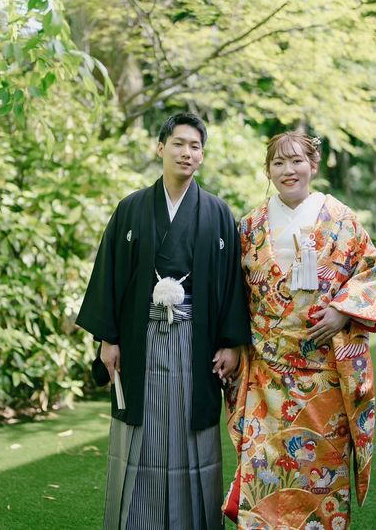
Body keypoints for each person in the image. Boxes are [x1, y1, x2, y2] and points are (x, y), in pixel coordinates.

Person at [76, 113, 251, 530]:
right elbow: (109, 276)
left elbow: (232, 283)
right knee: (141, 431)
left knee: (192, 431)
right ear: (160, 148)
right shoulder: (132, 209)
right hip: (141, 339)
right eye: (178, 143)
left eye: (195, 146)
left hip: (196, 340)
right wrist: (108, 339)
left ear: (202, 155)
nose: (186, 152)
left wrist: (231, 343)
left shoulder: (217, 213)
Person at [223, 132, 376, 529]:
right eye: (278, 163)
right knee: (265, 468)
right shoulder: (250, 225)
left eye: (296, 161)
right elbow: (231, 291)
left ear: (313, 165)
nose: (288, 170)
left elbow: (370, 269)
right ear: (268, 171)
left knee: (322, 469)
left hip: (324, 373)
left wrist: (342, 312)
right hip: (268, 373)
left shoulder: (341, 219)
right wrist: (230, 344)